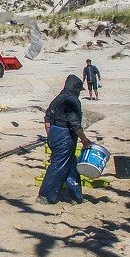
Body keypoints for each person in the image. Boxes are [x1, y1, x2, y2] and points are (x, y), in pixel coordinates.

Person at [39, 75, 94, 205]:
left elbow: (47, 118)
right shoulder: (72, 100)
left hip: (54, 132)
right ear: (76, 89)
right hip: (65, 135)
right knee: (59, 165)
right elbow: (74, 124)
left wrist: (50, 135)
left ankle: (76, 197)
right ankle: (45, 196)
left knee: (70, 165)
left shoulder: (58, 98)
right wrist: (85, 140)